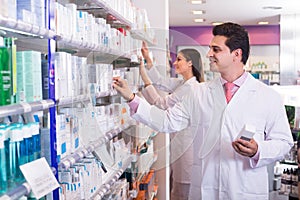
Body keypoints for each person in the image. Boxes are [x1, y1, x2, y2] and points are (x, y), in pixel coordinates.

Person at [113, 22, 294, 199]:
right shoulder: (198, 92)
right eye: (210, 49)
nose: (208, 54)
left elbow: (284, 143)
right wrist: (132, 98)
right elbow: (167, 121)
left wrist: (258, 150)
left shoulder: (268, 96)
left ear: (236, 54)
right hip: (206, 189)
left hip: (245, 189)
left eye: (216, 49)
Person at [139, 41, 204, 200]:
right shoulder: (183, 83)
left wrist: (143, 77)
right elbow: (161, 81)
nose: (175, 62)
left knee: (182, 191)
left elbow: (162, 104)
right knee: (178, 187)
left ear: (190, 63)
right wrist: (148, 59)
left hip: (186, 147)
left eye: (179, 59)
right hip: (180, 144)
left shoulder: (190, 88)